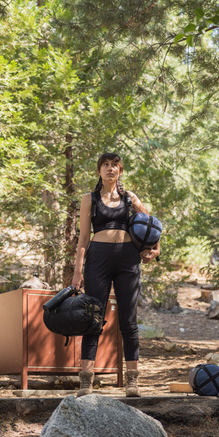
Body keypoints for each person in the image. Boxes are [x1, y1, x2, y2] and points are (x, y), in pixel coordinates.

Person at [71, 152, 160, 397]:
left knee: (128, 321)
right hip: (98, 258)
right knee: (94, 318)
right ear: (99, 171)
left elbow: (153, 224)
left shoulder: (130, 199)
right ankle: (86, 382)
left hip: (127, 260)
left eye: (115, 166)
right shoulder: (89, 199)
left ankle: (133, 382)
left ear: (120, 171)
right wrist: (77, 272)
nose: (110, 169)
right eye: (106, 165)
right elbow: (83, 238)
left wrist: (156, 248)